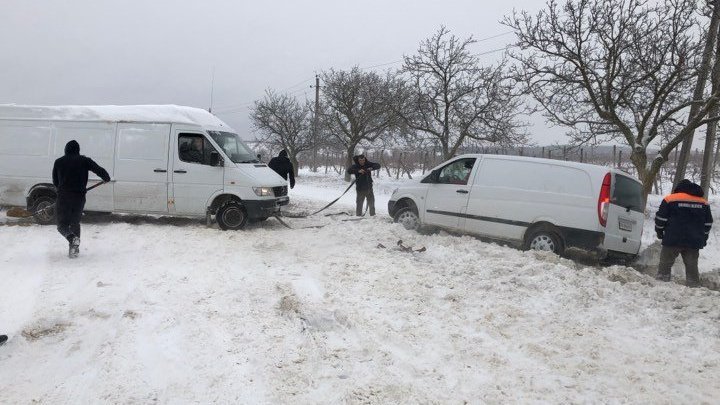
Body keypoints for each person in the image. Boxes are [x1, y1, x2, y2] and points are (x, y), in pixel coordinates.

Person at [52, 140, 111, 258]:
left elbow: (55, 181)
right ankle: (74, 250)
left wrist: (61, 189)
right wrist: (106, 177)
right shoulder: (85, 161)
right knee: (75, 223)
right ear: (78, 150)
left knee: (62, 225)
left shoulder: (59, 162)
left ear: (66, 149)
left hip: (64, 197)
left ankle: (72, 238)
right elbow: (100, 170)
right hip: (79, 197)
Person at [654, 179, 713, 287]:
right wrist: (703, 238)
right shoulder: (703, 202)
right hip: (694, 241)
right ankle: (693, 287)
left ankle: (661, 285)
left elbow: (660, 219)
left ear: (678, 189)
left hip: (672, 239)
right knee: (692, 266)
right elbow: (708, 223)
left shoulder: (670, 199)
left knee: (665, 264)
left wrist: (659, 232)